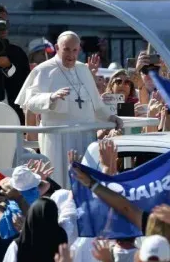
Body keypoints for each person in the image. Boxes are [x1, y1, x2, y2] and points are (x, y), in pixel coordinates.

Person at [15, 31, 122, 187]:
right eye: (66, 49)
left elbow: (96, 104)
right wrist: (51, 97)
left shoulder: (83, 70)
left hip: (85, 136)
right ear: (58, 48)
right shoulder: (44, 70)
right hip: (58, 140)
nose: (71, 55)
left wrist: (111, 118)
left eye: (74, 50)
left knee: (86, 181)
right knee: (60, 182)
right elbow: (30, 101)